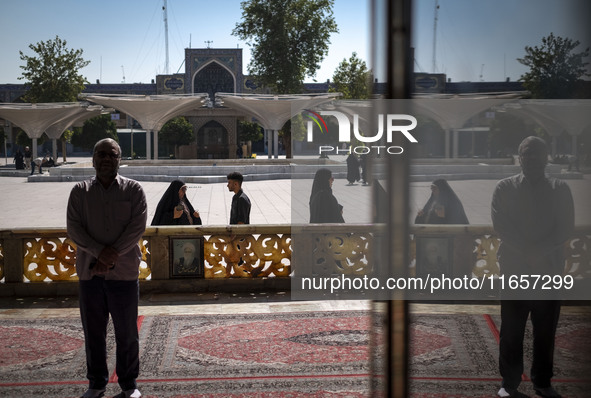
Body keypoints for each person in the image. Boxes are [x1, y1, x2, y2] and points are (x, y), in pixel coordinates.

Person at [491, 136, 574, 398]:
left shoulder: (560, 188)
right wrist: (529, 253)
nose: (532, 158)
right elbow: (501, 226)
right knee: (512, 329)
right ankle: (509, 382)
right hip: (515, 269)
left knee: (545, 329)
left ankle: (542, 381)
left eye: (537, 154)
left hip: (548, 270)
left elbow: (565, 226)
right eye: (527, 154)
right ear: (519, 157)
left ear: (547, 157)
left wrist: (541, 252)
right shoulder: (504, 188)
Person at [67, 138, 147, 398]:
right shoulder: (80, 191)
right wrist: (101, 253)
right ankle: (97, 383)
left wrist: (109, 256)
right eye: (101, 154)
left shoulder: (133, 190)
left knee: (127, 333)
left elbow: (136, 228)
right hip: (90, 275)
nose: (106, 159)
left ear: (119, 159)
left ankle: (128, 383)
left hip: (123, 274)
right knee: (94, 332)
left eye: (111, 155)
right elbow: (74, 229)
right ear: (93, 159)